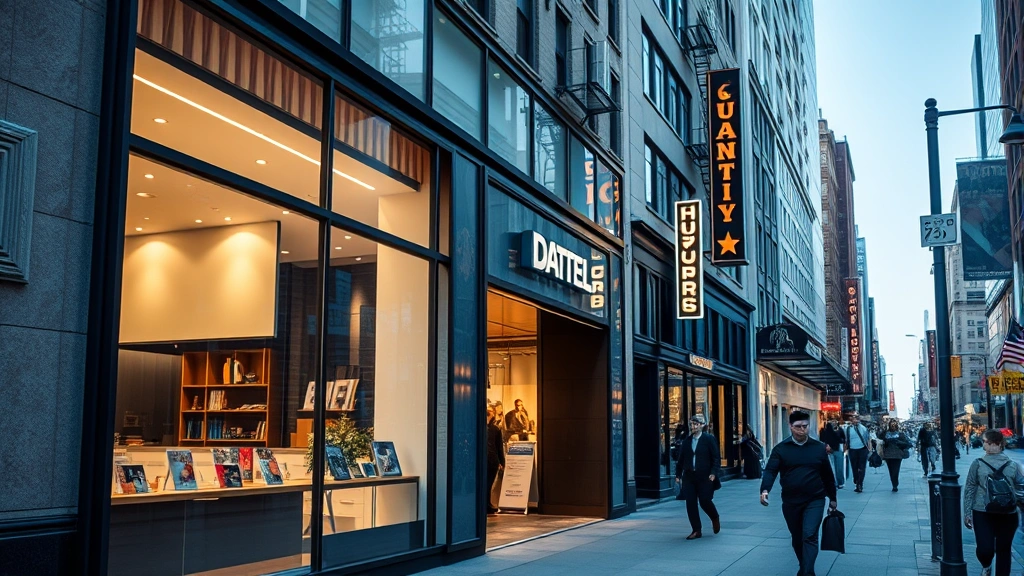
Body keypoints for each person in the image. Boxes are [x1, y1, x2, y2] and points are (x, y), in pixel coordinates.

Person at [760, 411, 837, 576]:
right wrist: (765, 489)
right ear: (790, 427)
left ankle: (807, 572)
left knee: (809, 535)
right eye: (798, 427)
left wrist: (833, 499)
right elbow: (770, 471)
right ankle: (805, 566)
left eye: (805, 426)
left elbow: (828, 476)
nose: (802, 430)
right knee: (797, 537)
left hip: (815, 499)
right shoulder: (781, 449)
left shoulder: (818, 448)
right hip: (791, 501)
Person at [963, 429, 1024, 576]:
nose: (983, 445)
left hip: (1007, 513)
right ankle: (987, 564)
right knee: (985, 549)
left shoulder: (1013, 465)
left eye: (985, 442)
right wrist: (967, 512)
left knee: (1004, 549)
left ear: (994, 444)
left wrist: (1019, 503)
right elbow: (970, 487)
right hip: (982, 511)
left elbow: (1021, 487)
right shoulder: (977, 464)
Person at [675, 414, 722, 540]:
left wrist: (713, 472)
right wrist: (678, 474)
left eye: (696, 424)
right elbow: (681, 459)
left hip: (705, 476)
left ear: (702, 425)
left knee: (705, 500)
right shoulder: (687, 441)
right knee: (690, 502)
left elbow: (715, 458)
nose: (693, 426)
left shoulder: (709, 439)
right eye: (691, 424)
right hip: (689, 476)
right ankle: (696, 530)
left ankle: (714, 517)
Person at [879, 419, 912, 492]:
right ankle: (893, 483)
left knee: (896, 470)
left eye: (894, 425)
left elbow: (907, 443)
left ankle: (895, 484)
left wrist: (898, 442)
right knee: (891, 470)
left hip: (897, 455)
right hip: (888, 455)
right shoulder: (886, 434)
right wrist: (884, 429)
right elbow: (879, 437)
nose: (893, 426)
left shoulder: (900, 434)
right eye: (891, 425)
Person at [486, 407, 505, 514]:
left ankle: (487, 504)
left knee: (488, 483)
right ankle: (487, 504)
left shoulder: (495, 429)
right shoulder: (494, 429)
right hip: (491, 459)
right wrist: (501, 461)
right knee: (488, 483)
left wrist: (501, 461)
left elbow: (498, 447)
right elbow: (499, 447)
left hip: (492, 460)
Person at [845, 414, 870, 492]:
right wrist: (845, 449)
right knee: (854, 467)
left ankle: (860, 484)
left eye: (857, 419)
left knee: (862, 467)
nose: (855, 420)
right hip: (852, 450)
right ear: (851, 420)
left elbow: (868, 439)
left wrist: (870, 449)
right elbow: (846, 439)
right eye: (854, 419)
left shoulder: (863, 428)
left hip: (862, 450)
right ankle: (856, 480)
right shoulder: (848, 429)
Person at [819, 420, 846, 489]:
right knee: (831, 467)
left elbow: (844, 439)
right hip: (829, 450)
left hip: (838, 449)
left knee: (839, 467)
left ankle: (840, 482)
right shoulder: (825, 430)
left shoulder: (840, 430)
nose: (833, 423)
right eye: (831, 421)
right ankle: (834, 483)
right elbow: (822, 440)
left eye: (834, 421)